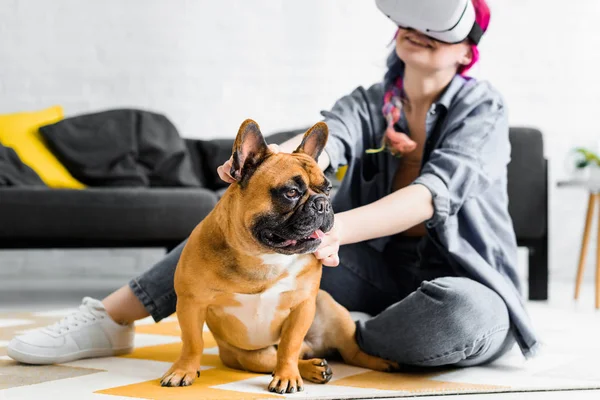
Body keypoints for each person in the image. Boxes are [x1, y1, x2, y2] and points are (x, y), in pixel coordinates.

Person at [8, 0, 538, 368]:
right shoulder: (372, 100)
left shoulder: (483, 108)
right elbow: (327, 141)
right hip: (367, 266)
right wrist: (264, 163)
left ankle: (333, 336)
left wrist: (333, 231)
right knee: (222, 232)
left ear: (467, 49)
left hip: (459, 276)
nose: (419, 28)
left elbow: (431, 195)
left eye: (439, 28)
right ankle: (110, 319)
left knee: (464, 320)